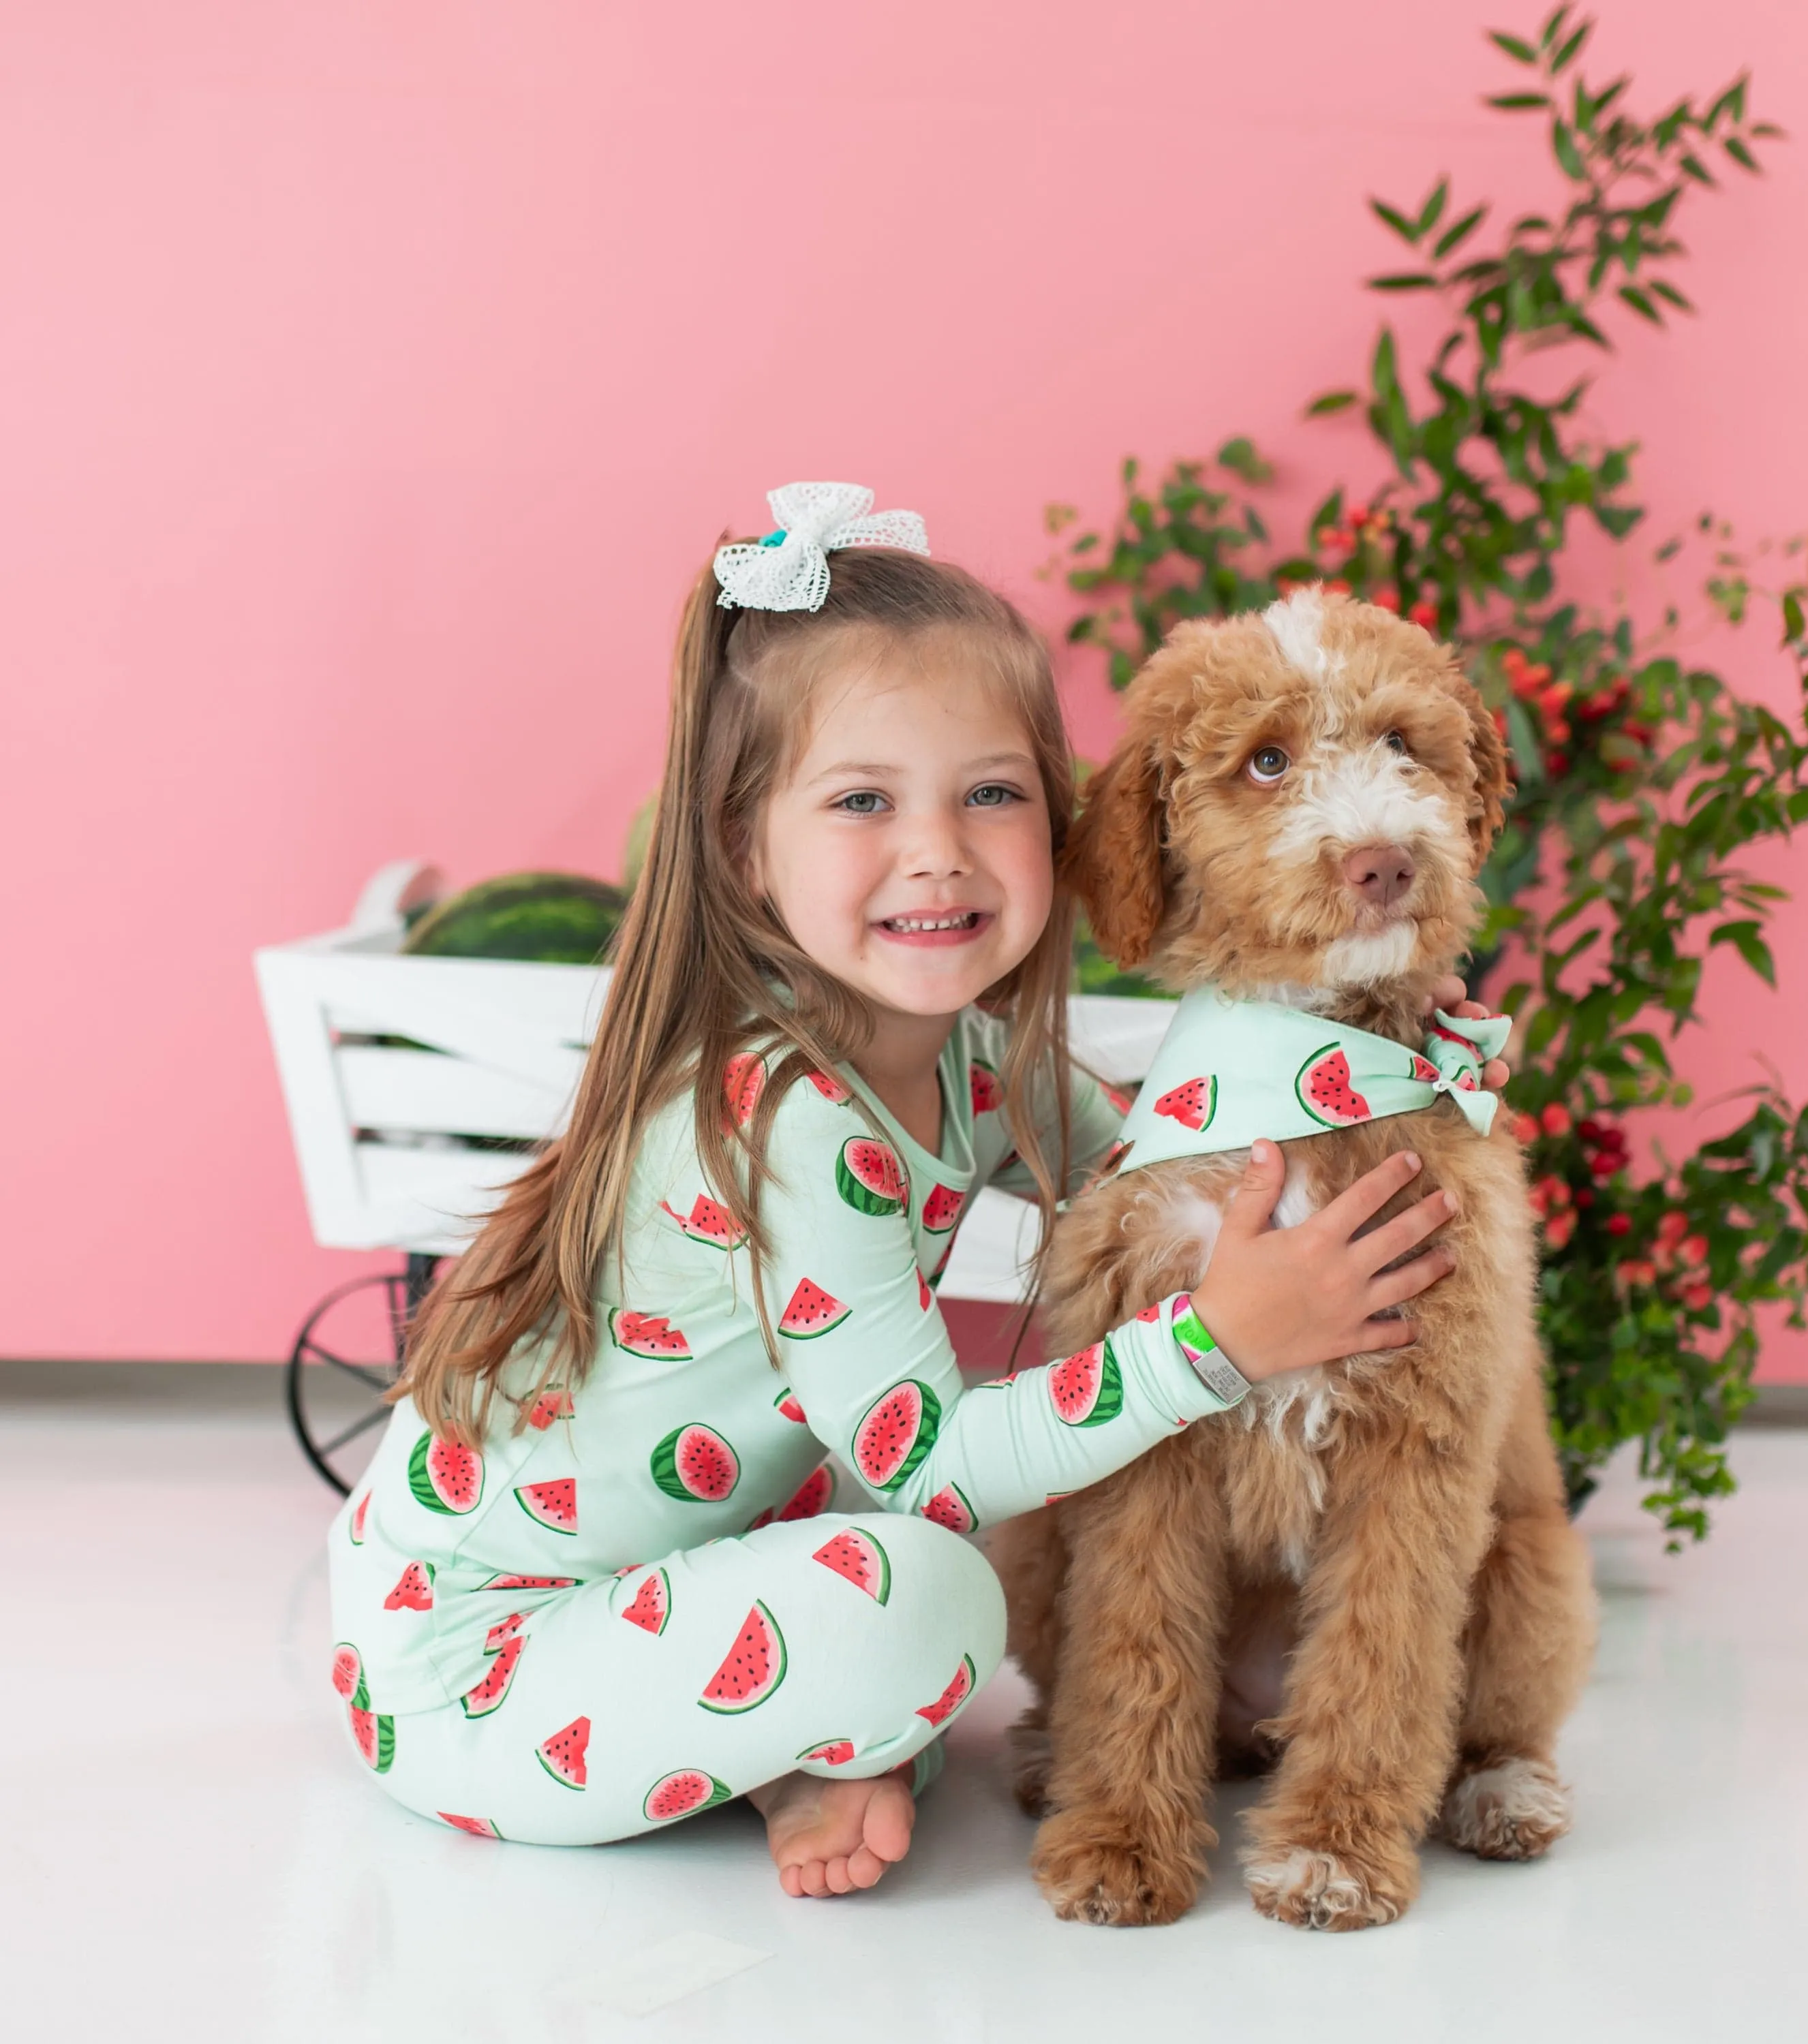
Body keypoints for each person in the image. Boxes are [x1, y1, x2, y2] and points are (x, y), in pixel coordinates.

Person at [328, 481, 1509, 1898]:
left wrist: (1352, 1094)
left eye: (993, 793)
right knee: (941, 1586)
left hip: (695, 1572)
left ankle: (802, 1743)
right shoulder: (787, 1116)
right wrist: (1219, 1343)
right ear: (739, 844)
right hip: (478, 1661)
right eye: (864, 801)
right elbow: (927, 1466)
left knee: (918, 1584)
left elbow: (1164, 1174)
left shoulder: (966, 1063)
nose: (939, 850)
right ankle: (809, 1735)